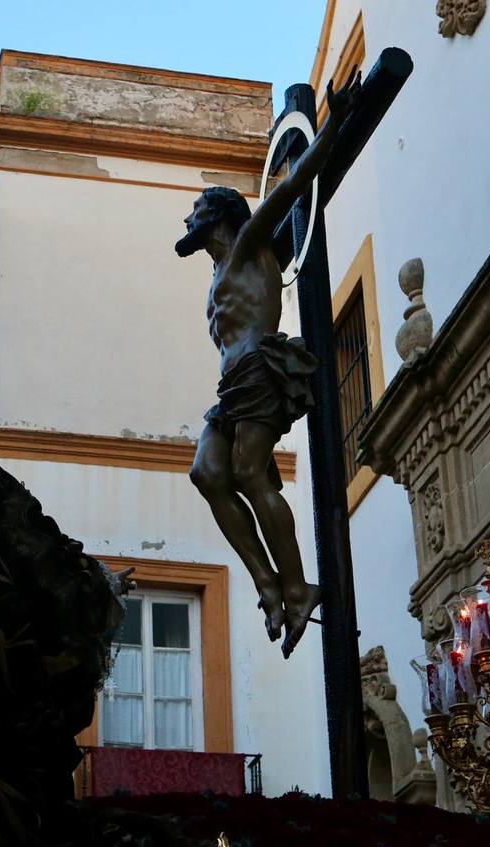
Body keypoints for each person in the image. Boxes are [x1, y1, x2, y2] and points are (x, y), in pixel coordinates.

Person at [175, 70, 362, 658]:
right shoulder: (214, 273)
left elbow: (297, 181)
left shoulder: (254, 241)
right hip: (231, 383)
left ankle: (299, 584)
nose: (188, 221)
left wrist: (334, 125)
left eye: (197, 210)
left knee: (252, 475)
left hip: (260, 367)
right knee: (207, 473)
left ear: (221, 215)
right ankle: (267, 581)